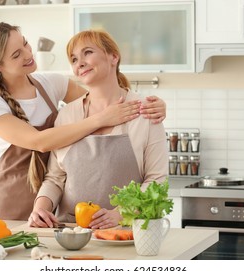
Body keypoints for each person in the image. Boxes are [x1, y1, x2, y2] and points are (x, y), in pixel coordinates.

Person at [0, 22, 166, 221]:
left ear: (113, 56)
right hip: (16, 202)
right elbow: (39, 142)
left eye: (25, 44)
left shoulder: (51, 84)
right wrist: (102, 118)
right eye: (16, 55)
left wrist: (151, 105)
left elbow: (100, 97)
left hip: (52, 209)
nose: (28, 53)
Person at [28, 30, 168, 229]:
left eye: (87, 52)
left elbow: (156, 181)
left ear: (114, 56)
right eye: (74, 59)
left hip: (126, 232)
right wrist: (40, 208)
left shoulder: (144, 112)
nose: (80, 63)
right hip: (72, 233)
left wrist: (120, 214)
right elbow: (55, 178)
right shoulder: (67, 115)